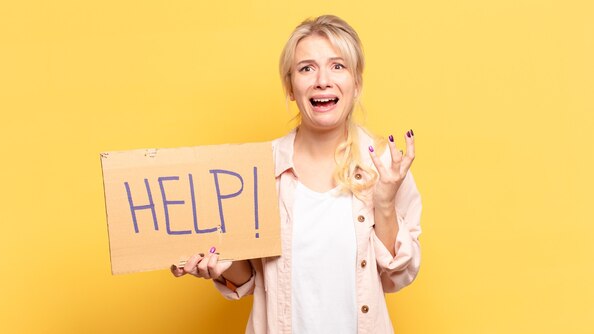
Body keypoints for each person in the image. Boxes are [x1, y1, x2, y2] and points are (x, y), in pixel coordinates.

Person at [171, 15, 422, 334]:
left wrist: (385, 204)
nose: (322, 80)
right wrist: (220, 264)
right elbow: (246, 279)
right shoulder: (256, 169)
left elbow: (397, 278)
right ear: (291, 87)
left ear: (356, 83)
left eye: (338, 66)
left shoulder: (386, 166)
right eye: (306, 68)